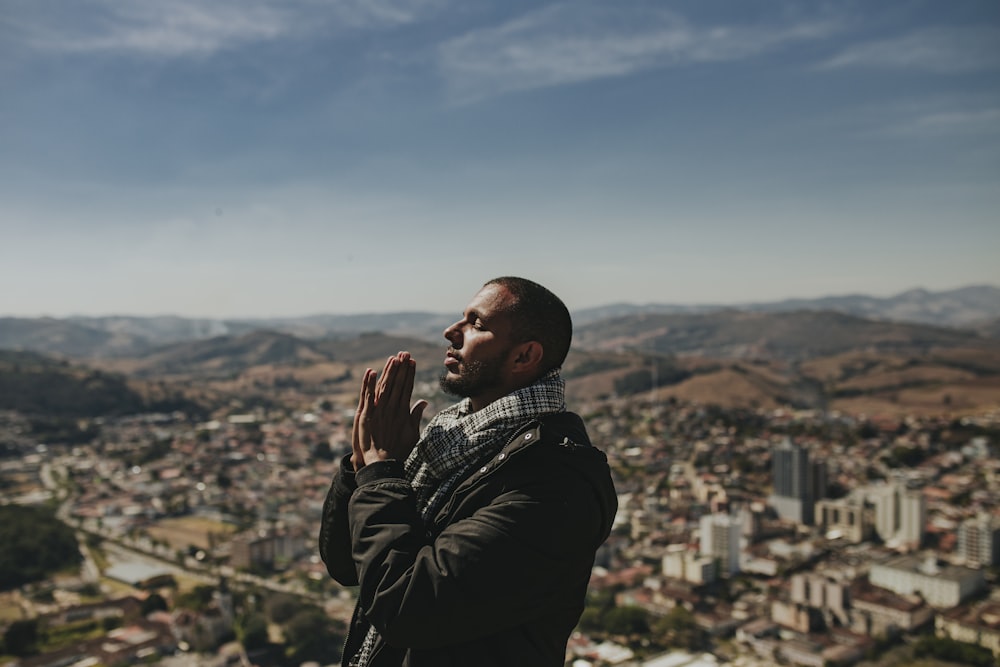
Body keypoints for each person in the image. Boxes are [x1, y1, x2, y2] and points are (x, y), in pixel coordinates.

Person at [319, 276, 618, 667]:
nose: (451, 331)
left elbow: (409, 607)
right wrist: (361, 468)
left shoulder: (554, 483)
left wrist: (381, 475)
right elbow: (347, 565)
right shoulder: (451, 441)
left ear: (524, 357)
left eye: (477, 323)